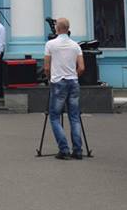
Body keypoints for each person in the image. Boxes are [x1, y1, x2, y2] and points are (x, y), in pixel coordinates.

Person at [43, 17, 85, 159]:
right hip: (73, 81)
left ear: (57, 28)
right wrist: (75, 76)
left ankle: (64, 149)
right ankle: (78, 150)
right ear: (68, 29)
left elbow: (47, 67)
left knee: (54, 116)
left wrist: (50, 78)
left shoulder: (50, 44)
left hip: (58, 82)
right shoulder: (75, 45)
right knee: (74, 117)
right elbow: (82, 67)